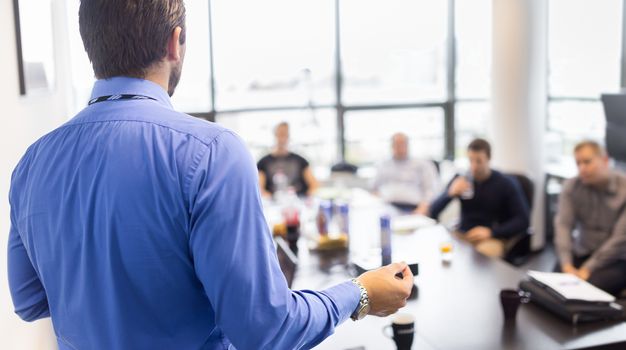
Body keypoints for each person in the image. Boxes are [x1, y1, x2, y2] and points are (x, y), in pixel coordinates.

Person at [7, 1, 413, 349]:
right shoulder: (210, 152)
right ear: (174, 43)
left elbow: (28, 299)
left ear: (91, 45)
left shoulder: (32, 162)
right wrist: (361, 293)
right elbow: (266, 331)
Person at [428, 138, 530, 258]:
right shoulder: (461, 178)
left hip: (491, 237)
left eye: (479, 161)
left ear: (489, 158)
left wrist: (492, 232)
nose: (474, 167)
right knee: (440, 251)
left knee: (480, 259)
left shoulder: (506, 184)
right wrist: (450, 194)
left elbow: (523, 220)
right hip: (463, 234)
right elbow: (432, 211)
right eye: (470, 160)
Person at [554, 140, 626, 296]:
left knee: (586, 289)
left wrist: (588, 268)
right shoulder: (572, 186)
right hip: (583, 251)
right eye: (578, 163)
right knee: (555, 280)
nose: (582, 169)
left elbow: (620, 239)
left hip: (615, 258)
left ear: (605, 160)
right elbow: (563, 225)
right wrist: (567, 264)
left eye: (587, 162)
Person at [372, 132, 439, 215]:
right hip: (387, 207)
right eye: (397, 144)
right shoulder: (383, 164)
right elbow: (375, 189)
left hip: (413, 208)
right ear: (391, 146)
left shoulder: (423, 164)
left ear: (408, 145)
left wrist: (423, 208)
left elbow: (431, 190)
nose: (400, 148)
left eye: (402, 144)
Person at [257, 122, 319, 198]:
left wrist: (307, 198)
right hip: (273, 204)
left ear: (289, 136)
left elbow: (314, 184)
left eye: (285, 134)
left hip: (297, 202)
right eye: (280, 134)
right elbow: (259, 188)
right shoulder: (263, 162)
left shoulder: (301, 161)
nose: (282, 138)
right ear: (275, 135)